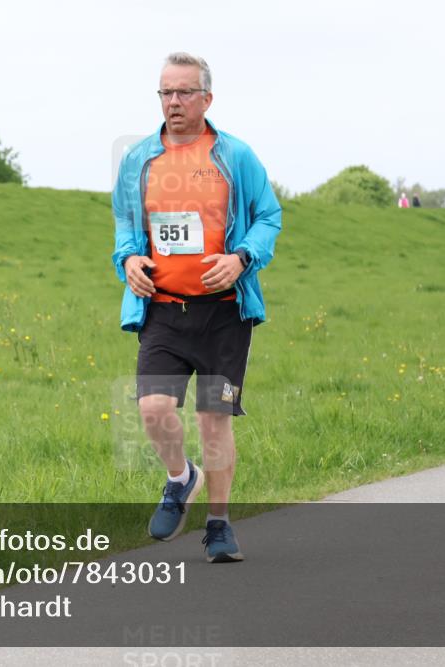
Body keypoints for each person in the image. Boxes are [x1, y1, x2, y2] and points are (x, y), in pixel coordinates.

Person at [111, 52, 282, 563]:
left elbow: (268, 217)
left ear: (207, 98)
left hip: (223, 313)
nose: (174, 102)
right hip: (163, 309)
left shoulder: (235, 156)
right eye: (166, 92)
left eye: (184, 92)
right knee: (153, 408)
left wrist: (242, 258)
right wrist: (130, 260)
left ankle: (218, 525)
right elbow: (124, 225)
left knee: (213, 420)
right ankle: (180, 477)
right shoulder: (139, 159)